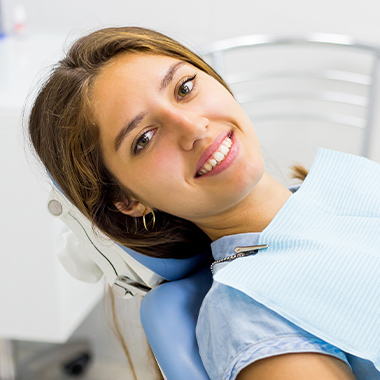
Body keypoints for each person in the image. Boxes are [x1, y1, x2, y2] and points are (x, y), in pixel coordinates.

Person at [28, 26, 379, 380]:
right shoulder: (253, 314)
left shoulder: (343, 184)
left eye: (184, 88)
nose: (194, 127)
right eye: (144, 138)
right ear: (127, 201)